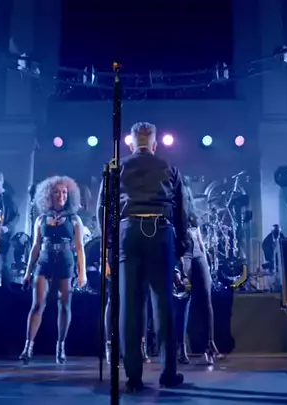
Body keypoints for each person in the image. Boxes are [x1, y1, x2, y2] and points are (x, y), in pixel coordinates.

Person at [98, 121, 188, 392]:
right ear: (155, 144)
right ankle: (168, 373)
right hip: (160, 231)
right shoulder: (169, 167)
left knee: (129, 305)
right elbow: (181, 209)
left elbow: (104, 209)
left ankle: (133, 376)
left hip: (128, 232)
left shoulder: (116, 167)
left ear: (131, 143)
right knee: (163, 304)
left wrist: (109, 244)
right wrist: (181, 246)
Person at [20, 176, 87, 364]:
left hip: (65, 262)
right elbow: (35, 246)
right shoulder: (41, 219)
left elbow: (80, 247)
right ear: (49, 195)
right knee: (37, 304)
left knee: (64, 305)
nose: (61, 196)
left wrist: (82, 273)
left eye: (64, 192)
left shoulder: (74, 219)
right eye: (57, 192)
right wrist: (27, 272)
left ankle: (60, 347)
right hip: (44, 260)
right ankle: (28, 347)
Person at [174, 207, 222, 366]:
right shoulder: (172, 207)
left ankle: (210, 344)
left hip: (197, 253)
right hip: (183, 253)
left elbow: (200, 239)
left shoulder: (192, 210)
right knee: (184, 299)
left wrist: (206, 261)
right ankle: (181, 347)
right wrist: (177, 265)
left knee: (206, 299)